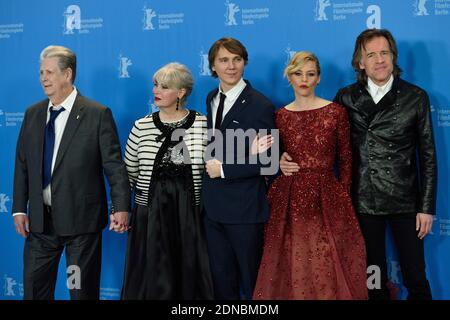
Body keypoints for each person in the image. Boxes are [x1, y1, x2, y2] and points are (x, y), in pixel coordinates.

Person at [281, 29, 437, 300]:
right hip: (363, 203)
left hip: (406, 202)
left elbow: (428, 156)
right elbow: (328, 146)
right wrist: (284, 157)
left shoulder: (416, 97)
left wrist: (426, 208)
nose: (379, 60)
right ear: (360, 62)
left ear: (393, 58)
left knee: (416, 277)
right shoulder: (347, 97)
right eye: (371, 55)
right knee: (372, 277)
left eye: (384, 53)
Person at [12, 45, 130, 300]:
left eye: (50, 72)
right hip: (41, 226)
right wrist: (19, 208)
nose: (43, 78)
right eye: (41, 72)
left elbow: (113, 165)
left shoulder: (97, 114)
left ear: (67, 74)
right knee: (34, 289)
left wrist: (121, 206)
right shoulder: (32, 114)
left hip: (80, 225)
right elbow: (22, 164)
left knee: (80, 290)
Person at [253, 51, 368, 300]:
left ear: (318, 78)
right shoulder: (280, 116)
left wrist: (344, 199)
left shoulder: (336, 112)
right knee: (290, 262)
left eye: (310, 74)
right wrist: (278, 162)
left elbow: (347, 160)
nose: (304, 79)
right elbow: (271, 156)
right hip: (287, 199)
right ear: (289, 78)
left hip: (327, 196)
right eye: (298, 73)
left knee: (325, 264)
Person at [121, 62, 213, 299]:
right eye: (155, 85)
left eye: (164, 86)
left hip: (190, 216)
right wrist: (121, 209)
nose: (156, 91)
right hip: (149, 215)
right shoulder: (141, 127)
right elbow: (128, 173)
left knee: (188, 277)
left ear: (181, 92)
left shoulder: (204, 124)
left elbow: (212, 169)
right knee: (151, 277)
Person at [202, 37, 276, 300]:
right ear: (212, 65)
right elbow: (216, 146)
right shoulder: (211, 98)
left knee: (252, 282)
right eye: (223, 60)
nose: (231, 66)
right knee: (222, 284)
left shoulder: (261, 105)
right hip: (213, 209)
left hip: (245, 210)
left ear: (245, 63)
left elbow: (269, 162)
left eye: (237, 59)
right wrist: (245, 151)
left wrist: (224, 168)